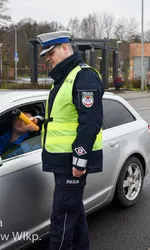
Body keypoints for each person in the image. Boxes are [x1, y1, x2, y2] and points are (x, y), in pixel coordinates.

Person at [31, 31, 104, 250]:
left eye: (51, 53)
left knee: (61, 218)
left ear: (65, 48)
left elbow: (90, 122)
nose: (48, 58)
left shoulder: (84, 76)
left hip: (72, 162)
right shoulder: (63, 78)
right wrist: (41, 120)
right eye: (46, 55)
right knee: (73, 211)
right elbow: (66, 117)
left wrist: (79, 160)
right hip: (61, 160)